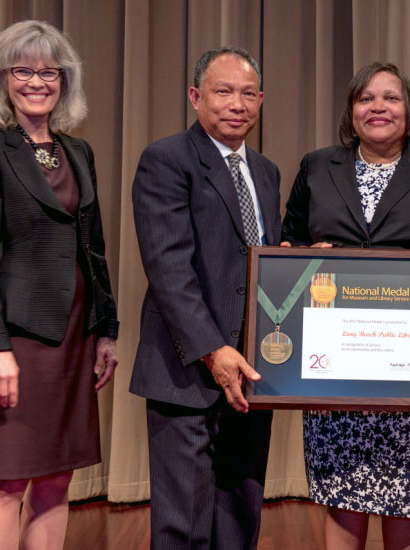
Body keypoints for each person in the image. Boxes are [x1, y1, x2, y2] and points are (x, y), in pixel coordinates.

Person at [281, 62, 410, 550]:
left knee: (408, 502)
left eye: (390, 98)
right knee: (343, 495)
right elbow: (286, 247)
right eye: (366, 98)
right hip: (336, 364)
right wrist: (303, 258)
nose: (378, 107)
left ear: (409, 111)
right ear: (351, 111)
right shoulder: (316, 165)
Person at [0, 20, 119, 550]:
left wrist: (106, 332)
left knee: (57, 476)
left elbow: (93, 248)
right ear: (1, 80)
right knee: (7, 479)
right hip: (19, 339)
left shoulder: (79, 152)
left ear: (64, 81)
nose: (36, 82)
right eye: (22, 70)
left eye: (49, 72)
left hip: (75, 337)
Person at [130, 46, 281, 550]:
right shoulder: (167, 159)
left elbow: (256, 263)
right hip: (186, 366)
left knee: (240, 511)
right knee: (183, 521)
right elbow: (169, 268)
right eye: (222, 91)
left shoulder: (266, 172)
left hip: (253, 370)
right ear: (196, 97)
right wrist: (214, 350)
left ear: (260, 101)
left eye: (247, 93)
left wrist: (297, 261)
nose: (236, 103)